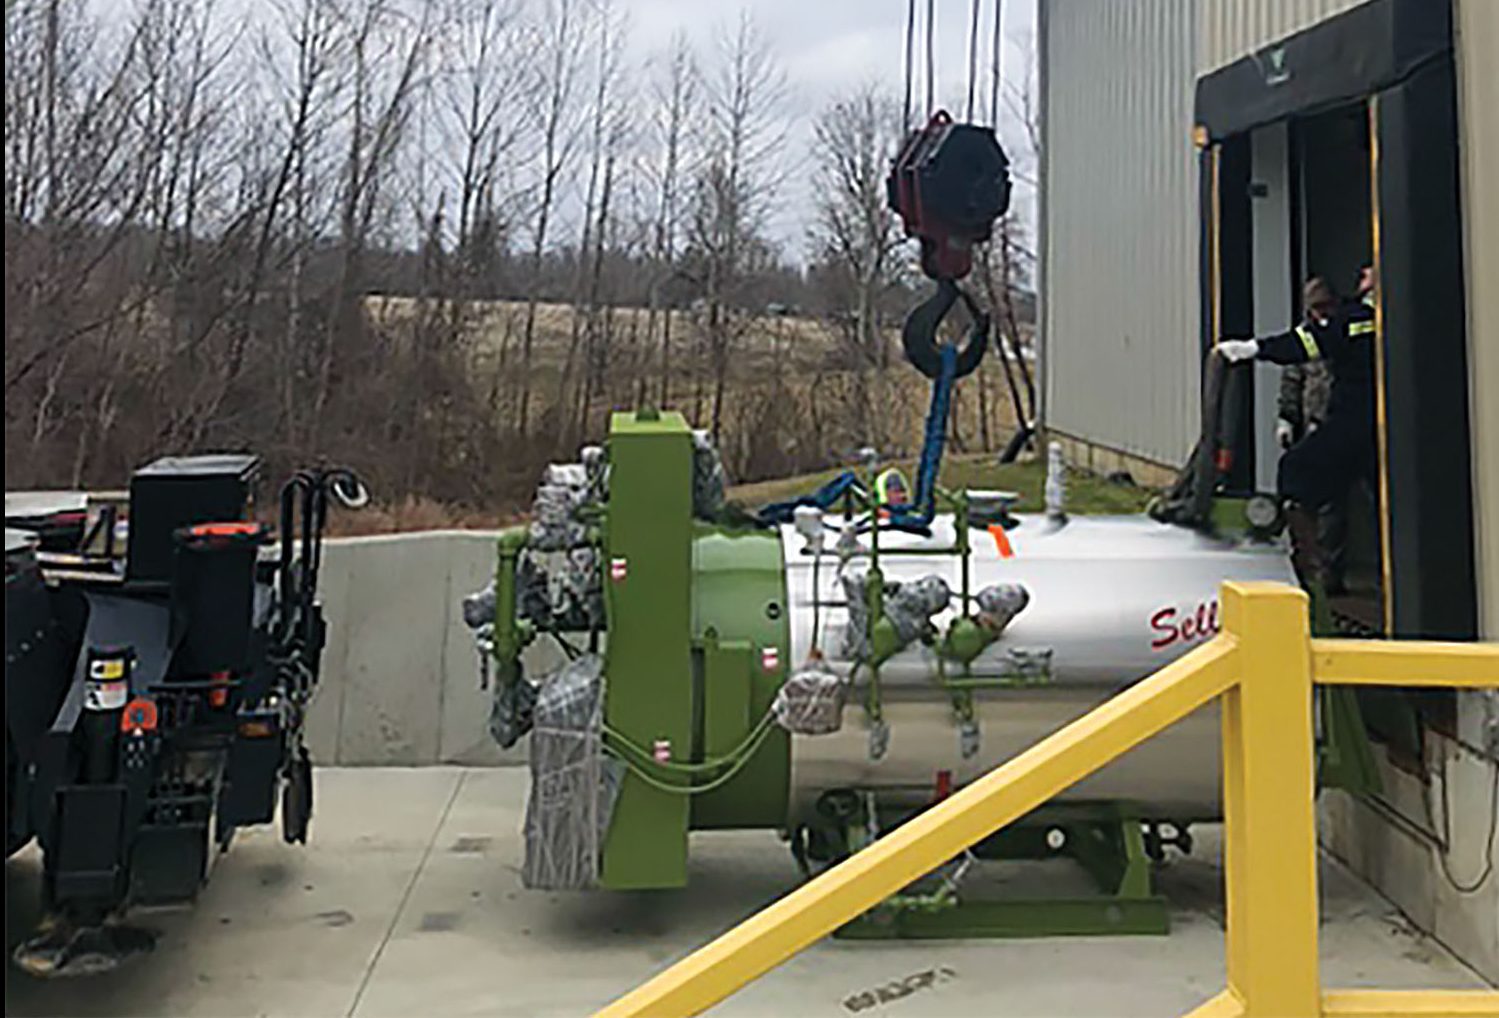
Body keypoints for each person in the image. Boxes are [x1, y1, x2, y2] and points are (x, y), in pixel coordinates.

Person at [1218, 271, 1377, 588]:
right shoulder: (1360, 318)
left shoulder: (1355, 319)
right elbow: (1295, 376)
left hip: (1355, 424)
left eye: (1370, 270)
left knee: (1298, 474)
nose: (1362, 274)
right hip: (1337, 423)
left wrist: (1255, 348)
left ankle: (1313, 572)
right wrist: (1287, 417)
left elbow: (1308, 343)